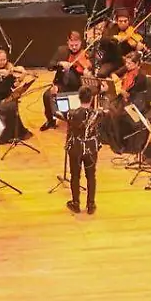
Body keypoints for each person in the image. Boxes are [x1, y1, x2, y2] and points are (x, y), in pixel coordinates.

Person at [102, 50, 151, 155]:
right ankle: (111, 139)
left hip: (137, 100)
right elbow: (114, 74)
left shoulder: (141, 76)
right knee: (108, 109)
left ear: (137, 64)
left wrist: (121, 91)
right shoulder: (127, 68)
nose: (127, 65)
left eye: (130, 63)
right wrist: (117, 81)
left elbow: (131, 95)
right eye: (126, 63)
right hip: (125, 97)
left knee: (117, 114)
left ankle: (120, 144)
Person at [41, 30, 89, 131]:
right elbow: (50, 66)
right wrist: (60, 63)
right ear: (68, 43)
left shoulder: (86, 53)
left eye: (77, 45)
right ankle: (50, 120)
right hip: (62, 84)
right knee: (47, 95)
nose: (74, 47)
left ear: (81, 42)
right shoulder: (62, 51)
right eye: (72, 45)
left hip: (78, 86)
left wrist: (87, 71)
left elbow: (91, 70)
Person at [65, 86, 101, 214]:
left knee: (75, 176)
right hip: (91, 148)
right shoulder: (97, 114)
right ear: (91, 99)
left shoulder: (71, 113)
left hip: (76, 148)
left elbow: (56, 113)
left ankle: (76, 203)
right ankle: (91, 204)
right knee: (91, 176)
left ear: (79, 98)